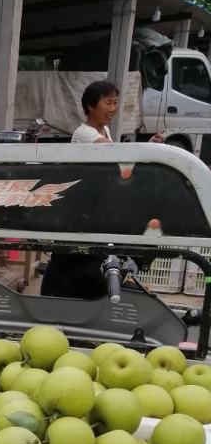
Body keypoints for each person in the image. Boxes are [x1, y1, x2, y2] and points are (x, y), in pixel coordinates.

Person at [42, 80, 159, 299]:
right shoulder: (83, 133)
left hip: (96, 208)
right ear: (90, 106)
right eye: (108, 103)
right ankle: (60, 298)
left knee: (92, 258)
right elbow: (115, 152)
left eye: (115, 103)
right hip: (79, 210)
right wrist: (148, 148)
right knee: (72, 259)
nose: (113, 109)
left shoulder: (103, 129)